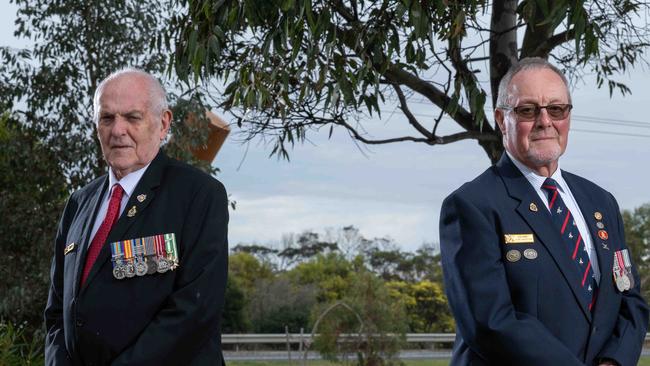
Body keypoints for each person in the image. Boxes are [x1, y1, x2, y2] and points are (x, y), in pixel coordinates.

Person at [439, 58, 648, 365]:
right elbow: (490, 322)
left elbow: (628, 298)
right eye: (527, 110)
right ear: (501, 119)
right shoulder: (472, 205)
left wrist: (613, 361)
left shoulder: (601, 202)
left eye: (557, 109)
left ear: (568, 116)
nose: (545, 121)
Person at [44, 69, 229, 365]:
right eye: (107, 118)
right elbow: (57, 313)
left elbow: (195, 311)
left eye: (132, 117)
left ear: (163, 123)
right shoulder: (78, 204)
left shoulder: (199, 195)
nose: (118, 130)